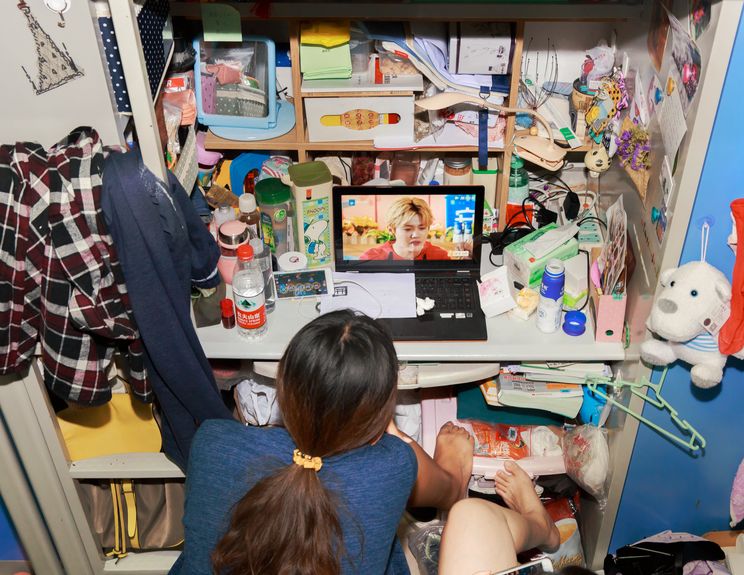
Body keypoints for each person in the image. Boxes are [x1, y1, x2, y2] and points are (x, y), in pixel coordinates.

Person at [170, 310, 474, 575]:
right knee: (447, 491)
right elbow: (438, 489)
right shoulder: (392, 465)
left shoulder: (212, 442)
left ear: (284, 387)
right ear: (379, 417)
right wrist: (395, 434)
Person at [360, 196, 451, 261]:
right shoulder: (370, 258)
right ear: (392, 230)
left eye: (422, 228)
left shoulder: (440, 256)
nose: (416, 235)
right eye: (408, 229)